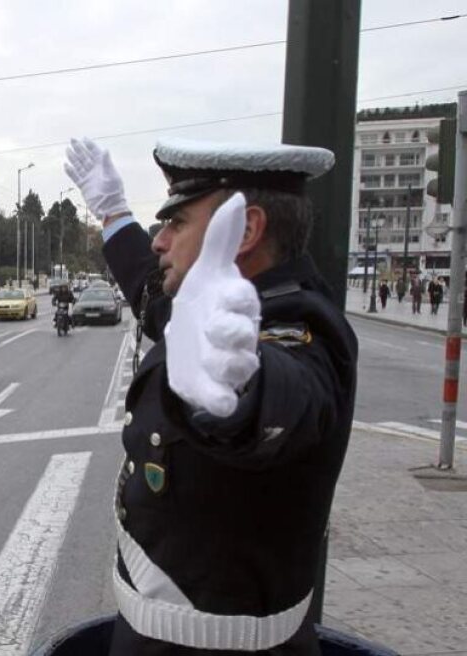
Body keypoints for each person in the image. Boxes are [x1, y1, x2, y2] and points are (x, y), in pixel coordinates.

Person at [64, 136, 358, 655]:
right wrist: (112, 214)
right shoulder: (204, 312)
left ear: (244, 231)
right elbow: (149, 293)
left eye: (176, 222)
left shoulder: (291, 327)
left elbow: (289, 400)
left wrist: (240, 389)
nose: (159, 241)